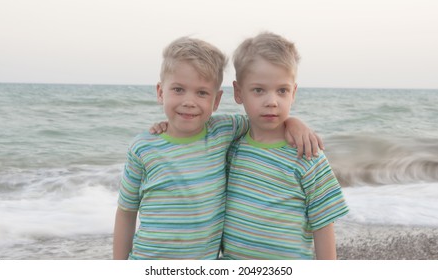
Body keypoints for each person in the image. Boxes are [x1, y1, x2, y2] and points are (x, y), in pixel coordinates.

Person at [113, 36, 321, 260]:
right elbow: (126, 212)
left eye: (202, 92)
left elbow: (263, 120)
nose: (189, 101)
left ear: (217, 100)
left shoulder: (222, 132)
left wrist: (293, 122)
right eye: (178, 89)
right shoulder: (142, 148)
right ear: (160, 92)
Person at [221, 32, 349, 260]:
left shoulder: (307, 154)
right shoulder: (231, 148)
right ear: (238, 92)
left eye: (282, 90)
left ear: (293, 93)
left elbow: (323, 224)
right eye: (259, 90)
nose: (272, 101)